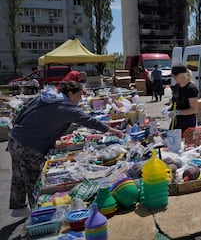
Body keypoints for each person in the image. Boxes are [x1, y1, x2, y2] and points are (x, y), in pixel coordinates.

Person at [7, 81, 123, 217]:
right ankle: (38, 214)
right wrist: (112, 130)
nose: (80, 99)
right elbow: (89, 121)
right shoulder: (66, 107)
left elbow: (24, 110)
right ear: (70, 94)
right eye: (79, 96)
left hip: (15, 138)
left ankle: (18, 207)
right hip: (30, 145)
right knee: (34, 179)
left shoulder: (48, 97)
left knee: (19, 175)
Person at [164, 64, 199, 133]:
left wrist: (178, 112)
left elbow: (194, 110)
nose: (174, 77)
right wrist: (168, 109)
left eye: (176, 75)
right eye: (173, 75)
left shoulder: (191, 88)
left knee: (185, 142)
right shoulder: (177, 87)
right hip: (176, 121)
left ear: (183, 74)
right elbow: (174, 102)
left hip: (188, 122)